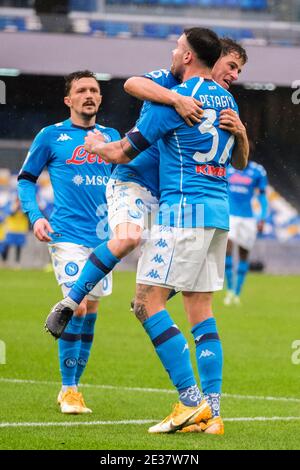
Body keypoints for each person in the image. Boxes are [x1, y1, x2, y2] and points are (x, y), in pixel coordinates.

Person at [46, 28, 248, 434]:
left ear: (189, 56)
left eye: (178, 47)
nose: (173, 50)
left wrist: (95, 147)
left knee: (145, 302)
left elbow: (123, 151)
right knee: (201, 310)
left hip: (182, 210)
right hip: (218, 214)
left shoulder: (174, 102)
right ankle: (213, 414)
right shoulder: (228, 102)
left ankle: (189, 400)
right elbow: (236, 160)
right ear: (217, 61)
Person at [17, 70, 120, 414]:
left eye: (94, 90)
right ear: (69, 100)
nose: (89, 94)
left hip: (105, 240)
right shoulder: (51, 136)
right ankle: (69, 389)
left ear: (100, 99)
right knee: (75, 305)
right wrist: (36, 216)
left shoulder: (112, 137)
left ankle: (74, 387)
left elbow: (124, 179)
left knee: (90, 308)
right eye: (81, 90)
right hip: (66, 235)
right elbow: (26, 180)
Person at [224, 148, 268, 305]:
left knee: (244, 253)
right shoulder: (227, 168)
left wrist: (262, 217)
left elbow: (262, 196)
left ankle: (237, 293)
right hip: (230, 216)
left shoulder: (258, 171)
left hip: (248, 218)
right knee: (227, 249)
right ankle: (229, 290)